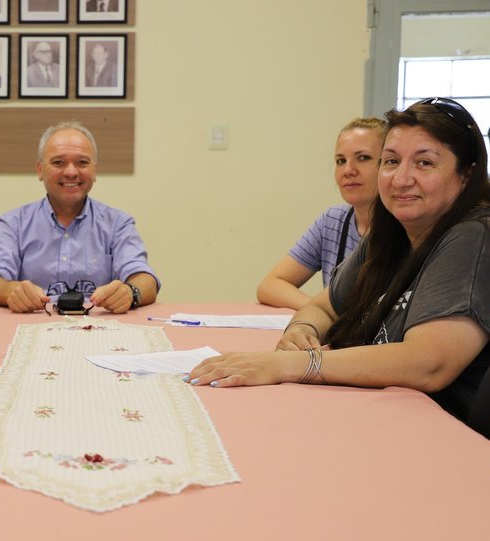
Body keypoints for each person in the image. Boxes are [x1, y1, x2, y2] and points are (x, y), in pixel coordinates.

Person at [187, 98, 489, 438]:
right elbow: (322, 308)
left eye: (424, 163)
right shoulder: (391, 233)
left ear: (467, 175)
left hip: (441, 436)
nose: (402, 178)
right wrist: (301, 333)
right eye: (391, 161)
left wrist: (293, 364)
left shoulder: (473, 235)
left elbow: (429, 363)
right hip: (379, 415)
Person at [0, 121, 160, 314]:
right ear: (40, 169)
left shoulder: (118, 223)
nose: (71, 172)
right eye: (58, 162)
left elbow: (145, 280)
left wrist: (130, 292)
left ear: (94, 170)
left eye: (82, 162)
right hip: (33, 323)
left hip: (99, 325)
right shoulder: (14, 223)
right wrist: (10, 291)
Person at [257, 118, 386, 310]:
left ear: (390, 164)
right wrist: (322, 311)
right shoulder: (333, 221)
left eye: (363, 158)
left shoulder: (407, 229)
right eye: (340, 161)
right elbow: (270, 286)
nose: (348, 170)